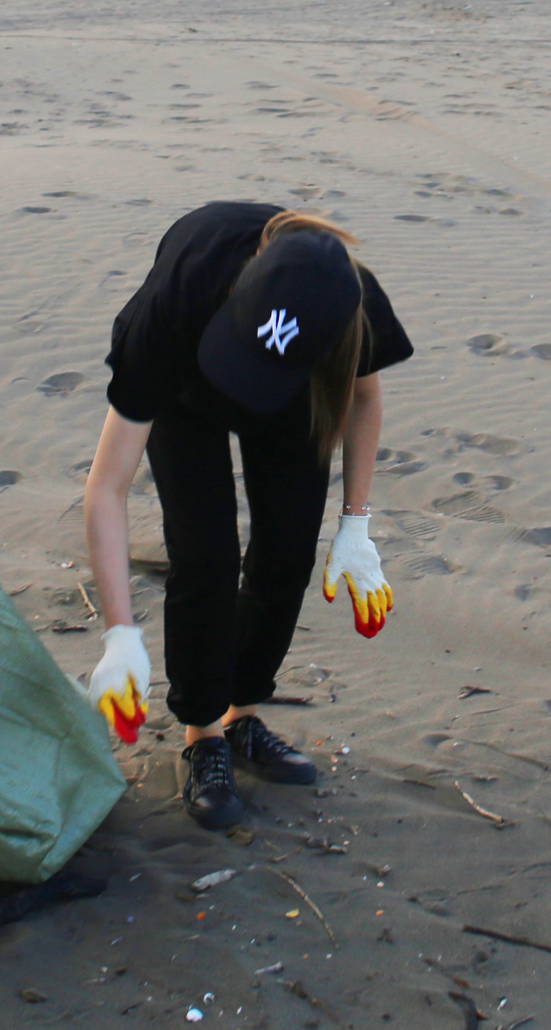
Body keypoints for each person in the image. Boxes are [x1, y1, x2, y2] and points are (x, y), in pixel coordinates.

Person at [81, 204, 413, 830]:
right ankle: (202, 734)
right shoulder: (175, 301)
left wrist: (356, 526)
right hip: (187, 387)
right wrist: (119, 635)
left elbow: (365, 399)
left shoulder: (349, 302)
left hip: (293, 390)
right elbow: (106, 488)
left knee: (288, 552)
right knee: (205, 555)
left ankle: (243, 715)